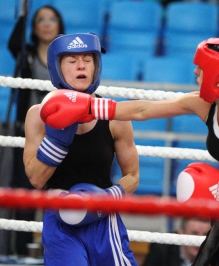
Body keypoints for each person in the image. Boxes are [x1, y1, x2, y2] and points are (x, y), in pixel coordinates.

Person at [39, 37, 219, 265]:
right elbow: (143, 109)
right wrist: (92, 107)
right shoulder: (203, 104)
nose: (194, 71)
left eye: (201, 68)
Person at [23, 33, 140, 265]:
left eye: (88, 59)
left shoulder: (115, 116)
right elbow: (36, 179)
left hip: (103, 218)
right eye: (72, 60)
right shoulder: (38, 115)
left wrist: (107, 197)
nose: (81, 66)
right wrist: (57, 139)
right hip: (60, 220)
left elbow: (133, 176)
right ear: (57, 66)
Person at [7, 1, 65, 255]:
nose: (46, 24)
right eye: (40, 20)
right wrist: (23, 13)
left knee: (56, 195)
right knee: (24, 194)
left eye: (51, 19)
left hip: (60, 135)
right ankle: (20, 253)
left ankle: (53, 253)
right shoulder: (26, 54)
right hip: (28, 135)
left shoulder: (66, 57)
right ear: (34, 27)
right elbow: (13, 43)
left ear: (59, 25)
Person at [143, 218, 211, 266]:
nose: (199, 240)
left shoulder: (215, 253)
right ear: (181, 233)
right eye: (194, 233)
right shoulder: (162, 248)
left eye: (205, 234)